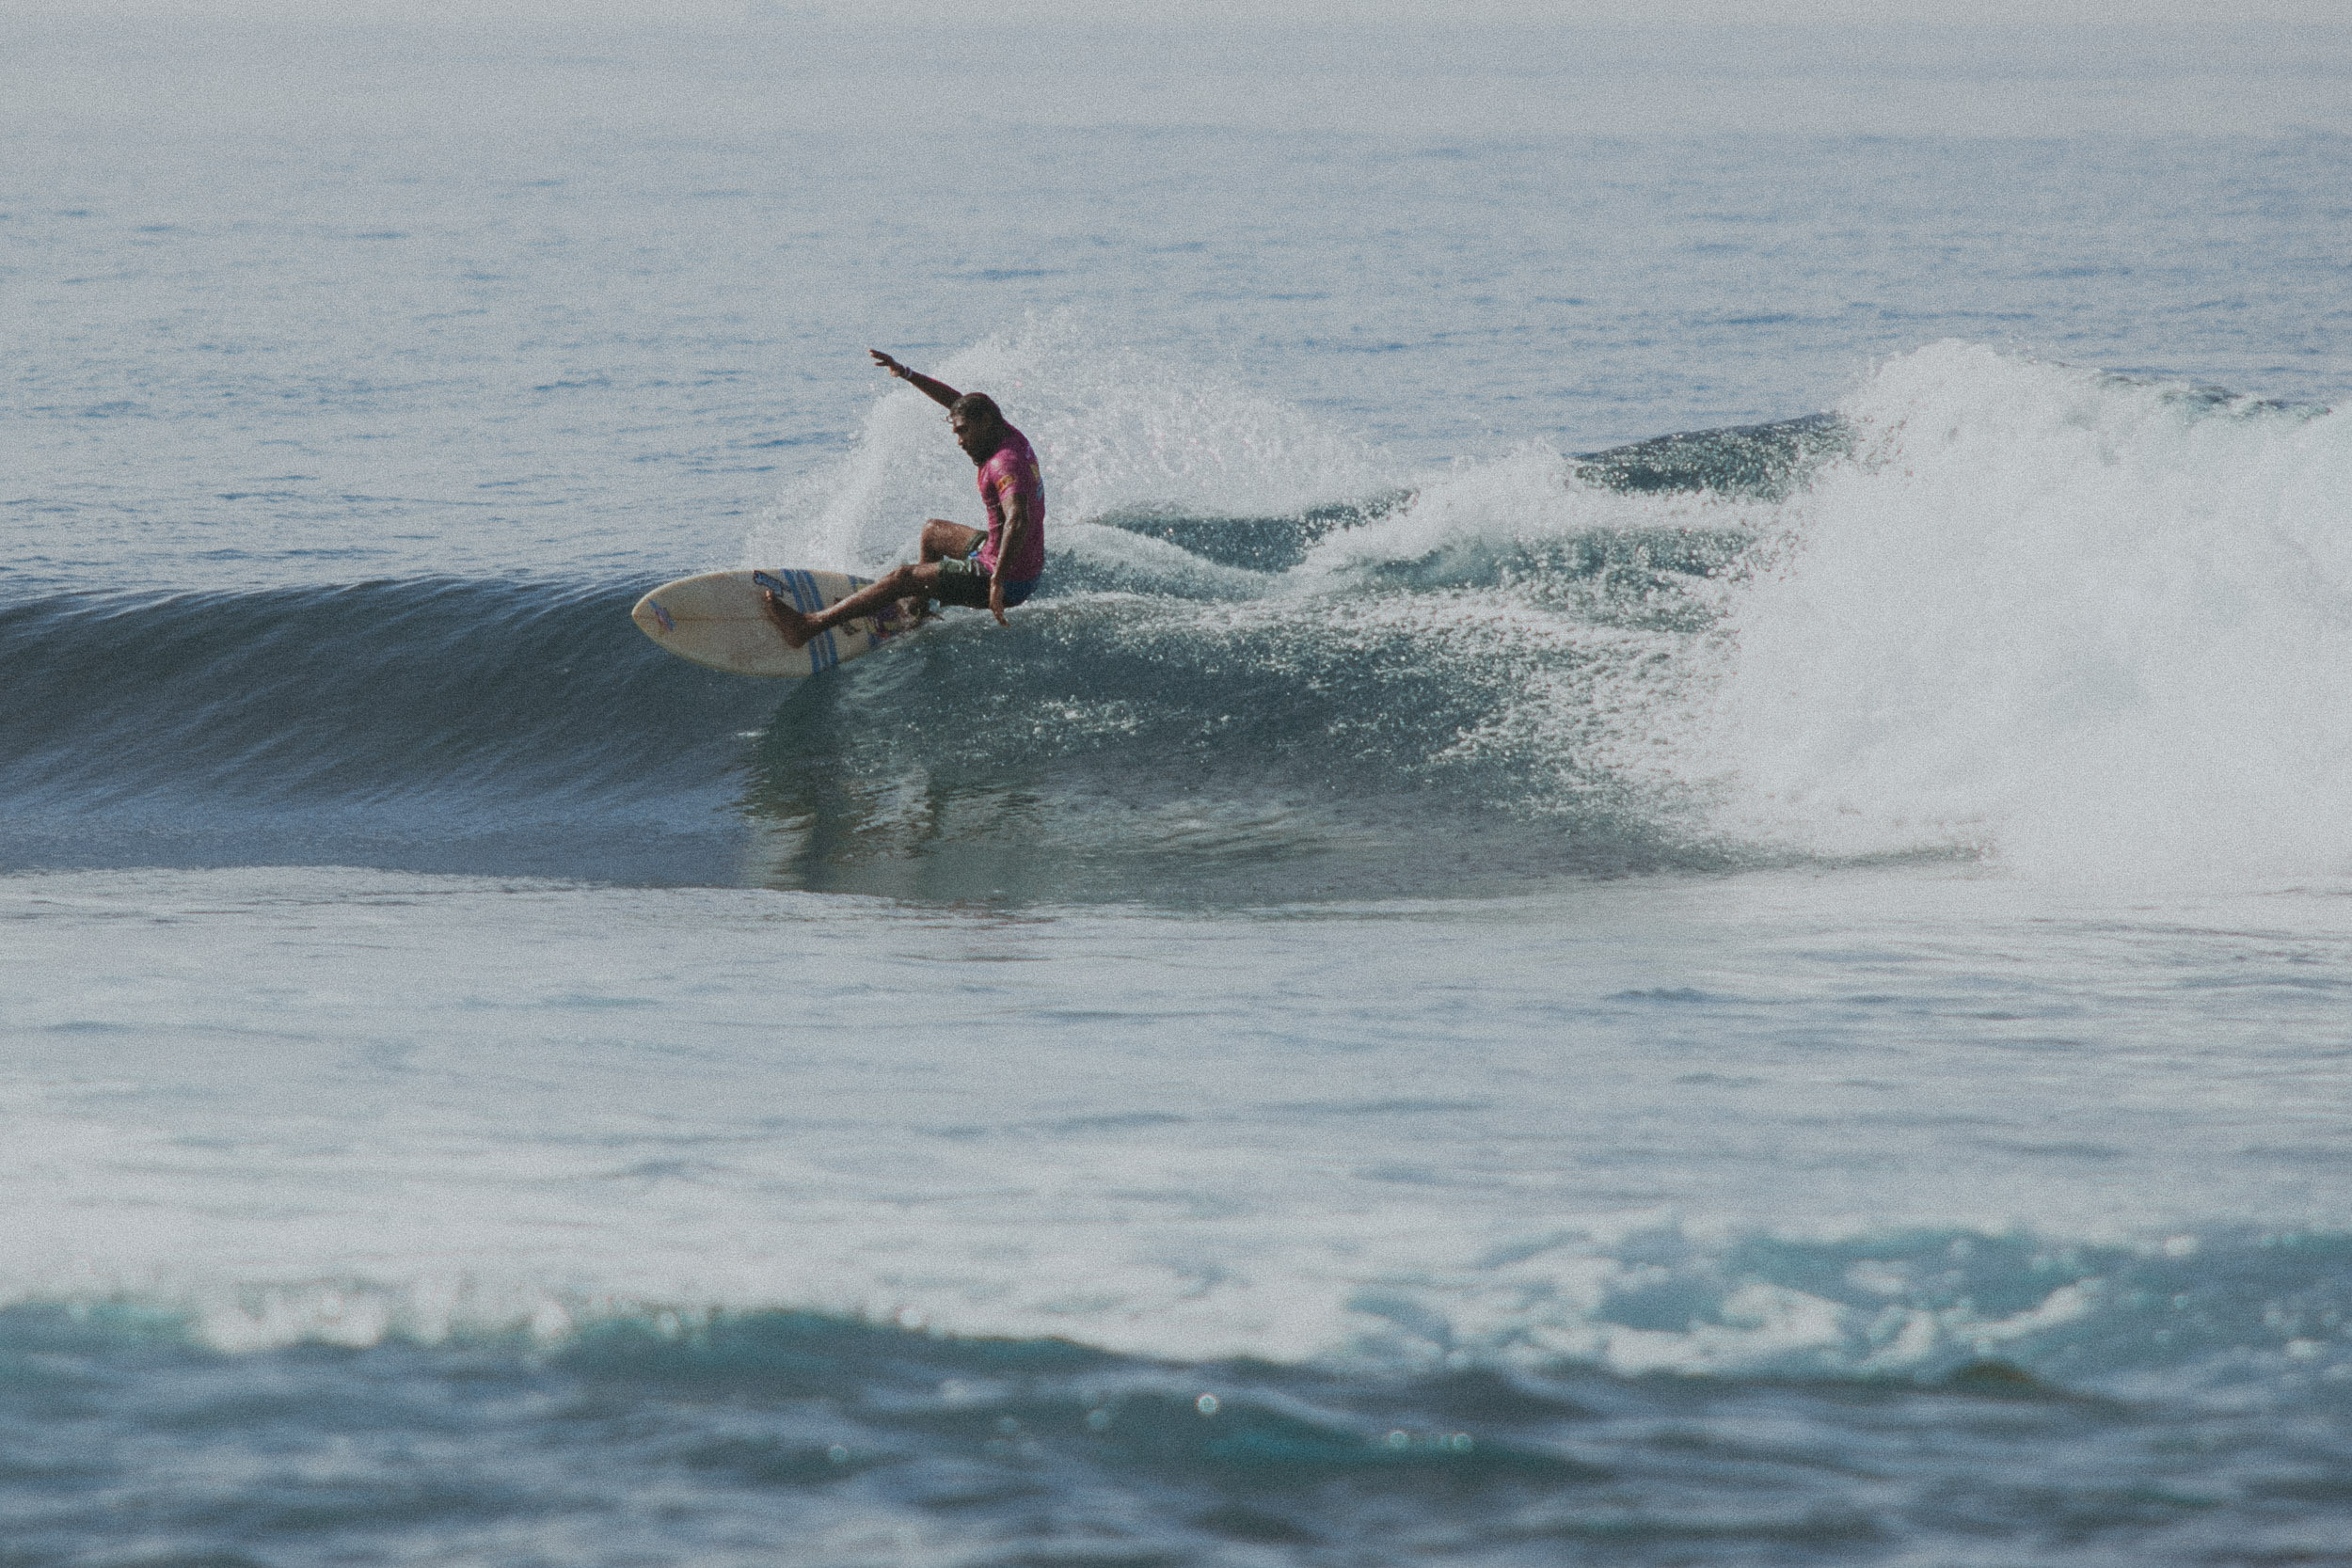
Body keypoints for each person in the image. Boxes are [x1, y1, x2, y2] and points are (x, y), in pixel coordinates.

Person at [759, 350, 1045, 650]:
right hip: (1012, 560)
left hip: (1006, 577)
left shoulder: (1004, 463)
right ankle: (918, 612)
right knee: (932, 531)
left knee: (901, 578)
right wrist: (906, 373)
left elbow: (1019, 518)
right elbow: (957, 401)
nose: (959, 441)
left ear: (985, 422)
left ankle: (806, 627)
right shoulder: (1005, 432)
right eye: (956, 431)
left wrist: (997, 582)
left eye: (963, 432)